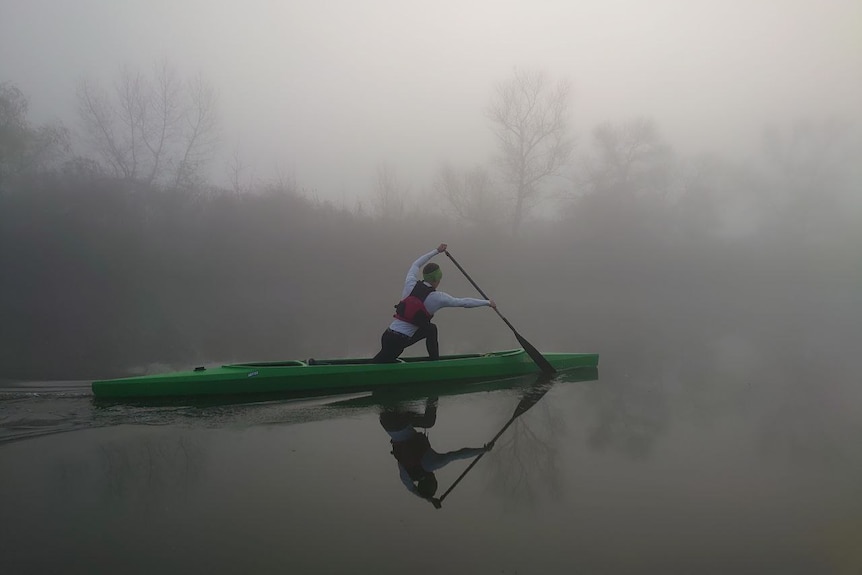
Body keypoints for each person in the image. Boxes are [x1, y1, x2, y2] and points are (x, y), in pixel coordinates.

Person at [372, 243, 496, 363]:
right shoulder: (438, 298)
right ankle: (435, 363)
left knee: (429, 329)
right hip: (400, 340)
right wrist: (487, 302)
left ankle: (432, 363)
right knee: (431, 329)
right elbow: (464, 302)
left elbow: (416, 264)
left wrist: (436, 251)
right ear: (437, 279)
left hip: (387, 335)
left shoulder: (410, 283)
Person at [380, 397, 492, 506]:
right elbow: (411, 489)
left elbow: (459, 454)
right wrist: (429, 499)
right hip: (385, 422)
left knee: (428, 422)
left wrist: (483, 450)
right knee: (411, 418)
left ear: (431, 480)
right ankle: (392, 401)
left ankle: (433, 395)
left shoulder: (432, 464)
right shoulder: (406, 473)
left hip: (401, 421)